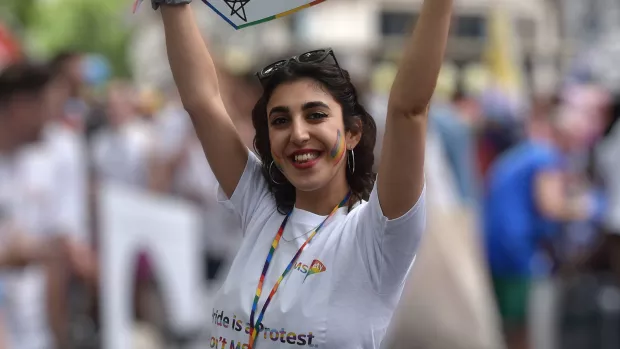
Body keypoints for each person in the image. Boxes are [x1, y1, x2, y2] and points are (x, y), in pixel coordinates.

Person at [157, 0, 451, 347]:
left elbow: (409, 109)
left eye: (315, 115)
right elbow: (202, 101)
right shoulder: (260, 206)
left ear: (353, 132)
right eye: (281, 121)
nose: (298, 134)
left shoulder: (378, 237)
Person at [483, 109, 599, 349]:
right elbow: (551, 206)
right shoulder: (545, 158)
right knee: (523, 326)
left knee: (506, 323)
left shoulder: (525, 153)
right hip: (515, 249)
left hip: (496, 244)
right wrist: (589, 207)